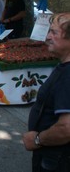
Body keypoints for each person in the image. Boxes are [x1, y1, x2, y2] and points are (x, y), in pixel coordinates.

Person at [22, 12, 70, 171]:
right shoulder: (64, 68)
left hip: (56, 158)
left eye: (54, 32)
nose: (48, 36)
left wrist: (37, 139)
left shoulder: (68, 75)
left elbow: (66, 128)